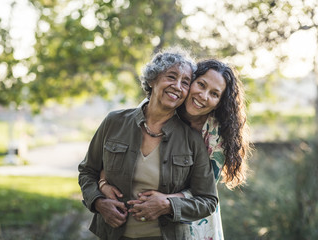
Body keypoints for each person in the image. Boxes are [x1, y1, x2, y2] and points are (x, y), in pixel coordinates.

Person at [99, 59, 251, 240]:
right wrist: (103, 183)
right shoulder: (161, 105)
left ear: (220, 102)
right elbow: (117, 154)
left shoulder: (217, 137)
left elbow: (204, 192)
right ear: (190, 81)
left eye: (214, 94)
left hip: (192, 220)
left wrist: (166, 202)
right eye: (201, 85)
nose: (203, 96)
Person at [78, 48, 218, 240]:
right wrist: (99, 202)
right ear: (152, 80)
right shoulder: (114, 122)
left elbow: (208, 201)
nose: (177, 86)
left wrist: (168, 205)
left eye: (185, 82)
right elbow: (87, 172)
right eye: (171, 76)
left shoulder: (191, 139)